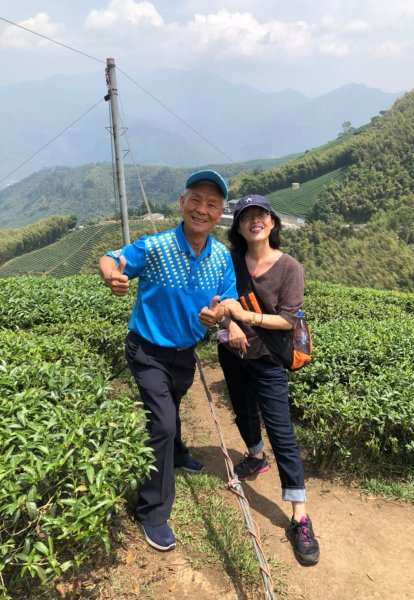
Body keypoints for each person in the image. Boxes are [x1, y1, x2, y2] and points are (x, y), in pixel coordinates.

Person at [99, 170, 237, 552]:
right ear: (182, 203)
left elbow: (230, 300)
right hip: (146, 349)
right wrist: (112, 277)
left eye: (211, 204)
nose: (202, 209)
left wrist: (221, 314)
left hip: (184, 353)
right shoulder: (156, 246)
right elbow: (110, 259)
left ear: (219, 212)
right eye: (196, 199)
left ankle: (176, 454)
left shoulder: (221, 256)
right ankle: (153, 511)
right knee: (159, 421)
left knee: (171, 406)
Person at [200, 194, 320, 566]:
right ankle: (255, 456)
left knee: (281, 429)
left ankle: (300, 514)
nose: (254, 221)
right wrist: (228, 321)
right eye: (246, 216)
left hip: (267, 357)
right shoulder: (230, 262)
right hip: (232, 352)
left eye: (261, 215)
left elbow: (288, 320)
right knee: (242, 409)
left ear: (272, 223)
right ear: (238, 226)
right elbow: (220, 301)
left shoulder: (289, 268)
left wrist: (246, 319)